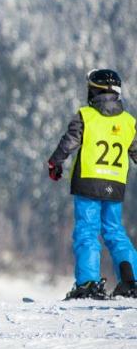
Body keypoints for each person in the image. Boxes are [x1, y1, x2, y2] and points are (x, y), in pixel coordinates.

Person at [48, 68, 137, 300]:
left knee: (87, 232)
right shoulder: (129, 122)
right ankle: (131, 280)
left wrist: (54, 162)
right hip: (115, 184)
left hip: (88, 183)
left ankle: (88, 283)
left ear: (93, 91)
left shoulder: (86, 115)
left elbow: (69, 143)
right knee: (115, 232)